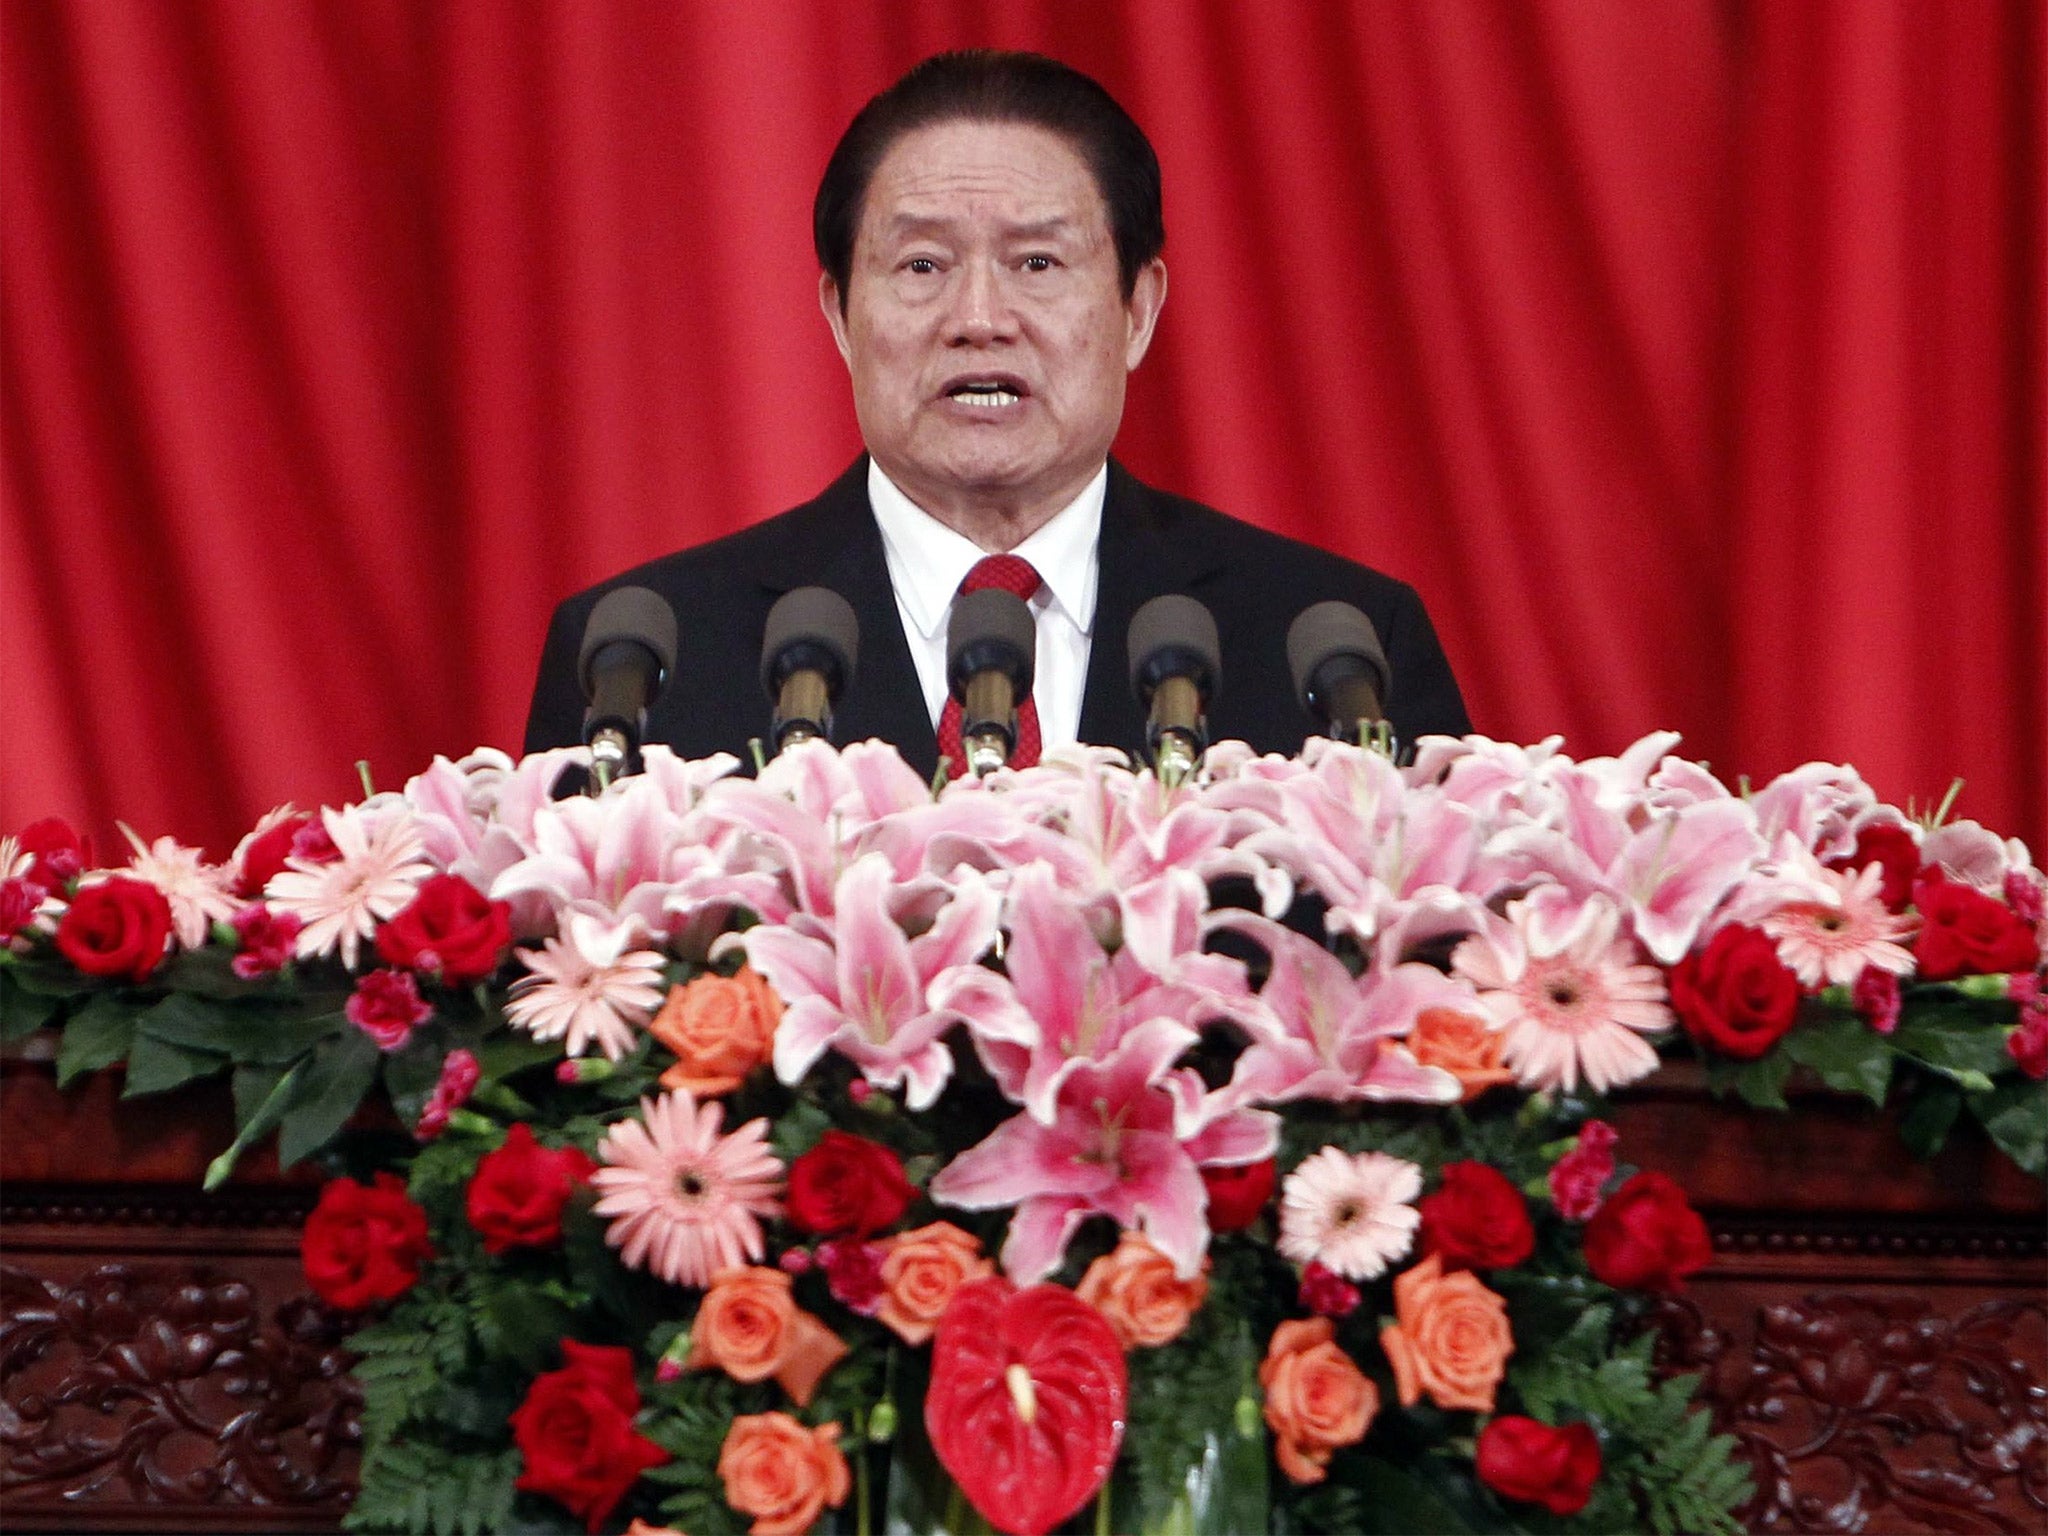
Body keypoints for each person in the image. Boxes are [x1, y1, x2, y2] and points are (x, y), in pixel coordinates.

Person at [524, 50, 1468, 778]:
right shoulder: (642, 659)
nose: (979, 320)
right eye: (923, 266)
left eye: (1038, 264)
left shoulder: (1340, 649)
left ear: (1138, 311)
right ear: (839, 316)